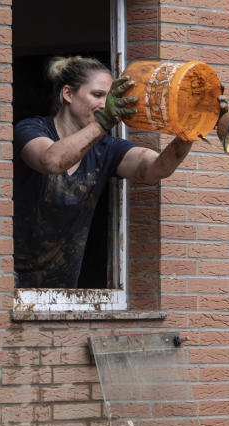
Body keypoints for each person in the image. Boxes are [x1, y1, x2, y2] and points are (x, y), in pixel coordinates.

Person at [13, 56, 197, 288]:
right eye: (97, 95)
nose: (105, 104)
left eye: (109, 98)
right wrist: (104, 122)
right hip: (9, 283)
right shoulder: (30, 129)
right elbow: (52, 161)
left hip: (62, 289)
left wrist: (188, 130)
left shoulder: (106, 148)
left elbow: (156, 169)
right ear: (68, 94)